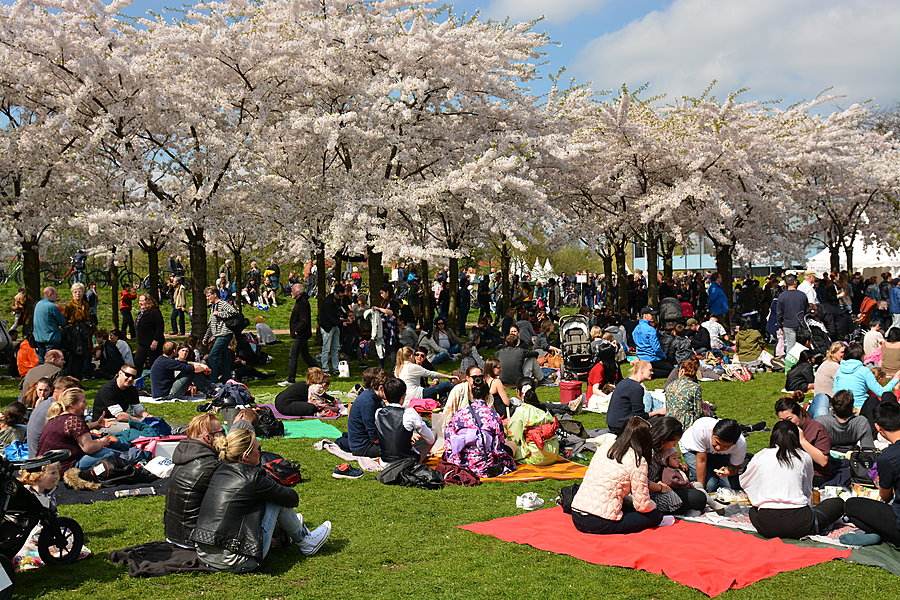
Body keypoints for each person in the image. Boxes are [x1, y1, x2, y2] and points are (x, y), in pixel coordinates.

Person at [191, 429, 332, 572]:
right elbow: (291, 498)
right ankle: (305, 541)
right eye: (259, 448)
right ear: (246, 456)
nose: (261, 452)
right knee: (276, 500)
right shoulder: (253, 478)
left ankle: (294, 529)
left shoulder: (218, 470)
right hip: (235, 561)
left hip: (204, 553)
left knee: (261, 500)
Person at [740, 420, 845, 539]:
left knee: (753, 510)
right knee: (838, 503)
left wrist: (761, 494)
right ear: (797, 438)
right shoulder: (804, 456)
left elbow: (745, 480)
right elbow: (807, 489)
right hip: (800, 524)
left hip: (767, 525)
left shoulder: (761, 455)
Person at [571, 416, 670, 534]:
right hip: (600, 522)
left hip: (577, 514)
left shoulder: (605, 447)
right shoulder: (637, 460)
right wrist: (655, 505)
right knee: (655, 516)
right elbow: (642, 506)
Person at [164, 413, 225, 547]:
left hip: (173, 535)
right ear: (208, 438)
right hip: (194, 540)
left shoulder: (184, 455)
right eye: (222, 431)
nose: (226, 436)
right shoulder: (210, 465)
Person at [844, 400, 900, 546]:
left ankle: (881, 535)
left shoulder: (888, 457)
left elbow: (885, 496)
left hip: (897, 521)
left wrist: (880, 482)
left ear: (878, 428)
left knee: (851, 505)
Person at [442, 377, 516, 477]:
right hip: (484, 464)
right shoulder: (492, 415)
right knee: (512, 445)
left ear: (472, 394)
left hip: (460, 462)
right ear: (487, 395)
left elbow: (449, 437)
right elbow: (499, 443)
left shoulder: (460, 413)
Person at [37, 387, 116, 471]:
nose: (86, 405)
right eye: (83, 401)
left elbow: (76, 431)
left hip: (47, 466)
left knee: (96, 440)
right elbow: (89, 448)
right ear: (72, 404)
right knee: (108, 453)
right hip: (65, 467)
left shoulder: (56, 418)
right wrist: (102, 442)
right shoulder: (73, 420)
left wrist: (97, 424)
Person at [647, 417, 709, 515]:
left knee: (698, 494)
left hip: (662, 488)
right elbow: (641, 481)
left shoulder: (661, 451)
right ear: (664, 440)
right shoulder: (648, 453)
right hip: (649, 494)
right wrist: (659, 487)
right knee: (698, 498)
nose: (674, 446)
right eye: (674, 443)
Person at [774, 394, 832, 486]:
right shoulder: (782, 429)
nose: (786, 424)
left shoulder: (817, 429)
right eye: (782, 420)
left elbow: (823, 461)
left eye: (790, 419)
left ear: (800, 414)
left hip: (815, 475)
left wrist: (803, 441)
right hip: (790, 471)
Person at [374, 377, 435, 463]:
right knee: (433, 433)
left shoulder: (378, 413)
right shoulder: (409, 413)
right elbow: (430, 439)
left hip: (384, 460)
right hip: (406, 462)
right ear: (404, 396)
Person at [679, 417, 747, 492]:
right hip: (693, 450)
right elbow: (701, 461)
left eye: (725, 446)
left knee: (731, 487)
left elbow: (735, 468)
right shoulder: (701, 428)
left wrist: (729, 471)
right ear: (712, 432)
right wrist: (701, 489)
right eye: (717, 442)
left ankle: (712, 472)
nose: (718, 448)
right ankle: (694, 477)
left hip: (720, 455)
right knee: (710, 485)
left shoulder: (740, 445)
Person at [504, 379, 559, 466]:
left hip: (536, 455)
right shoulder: (543, 408)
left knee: (506, 447)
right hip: (553, 453)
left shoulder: (521, 411)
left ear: (518, 392)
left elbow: (513, 437)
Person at [834, 342, 900, 411]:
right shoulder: (864, 371)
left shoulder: (839, 371)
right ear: (860, 356)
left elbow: (836, 393)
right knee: (873, 400)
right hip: (860, 408)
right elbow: (881, 392)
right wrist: (895, 379)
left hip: (842, 409)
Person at [26, 376, 80, 459]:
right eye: (74, 394)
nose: (75, 398)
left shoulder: (47, 404)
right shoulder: (55, 409)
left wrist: (96, 424)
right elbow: (72, 431)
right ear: (64, 391)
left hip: (36, 454)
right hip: (43, 460)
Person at [607, 360, 664, 435]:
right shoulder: (635, 387)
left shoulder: (624, 382)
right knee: (662, 422)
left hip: (614, 423)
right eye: (650, 370)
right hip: (622, 427)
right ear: (641, 370)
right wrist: (658, 412)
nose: (652, 373)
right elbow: (639, 416)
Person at [343, 368, 387, 458]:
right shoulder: (368, 402)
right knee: (398, 449)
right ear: (381, 388)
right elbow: (374, 436)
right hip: (363, 447)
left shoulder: (374, 397)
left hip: (367, 442)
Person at [279, 283, 318, 386]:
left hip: (301, 335)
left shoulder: (303, 303)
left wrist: (297, 330)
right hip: (301, 334)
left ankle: (291, 379)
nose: (291, 293)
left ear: (298, 292)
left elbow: (304, 320)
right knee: (306, 356)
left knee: (293, 356)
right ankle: (320, 372)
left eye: (292, 291)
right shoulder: (300, 302)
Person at [815, 389, 875, 454]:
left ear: (832, 407)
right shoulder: (861, 422)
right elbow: (868, 449)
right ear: (852, 407)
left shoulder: (821, 422)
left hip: (827, 457)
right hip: (853, 459)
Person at [202, 286, 239, 384]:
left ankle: (213, 380)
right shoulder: (213, 307)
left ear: (215, 295)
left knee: (212, 356)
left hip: (224, 334)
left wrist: (219, 313)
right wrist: (206, 336)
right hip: (218, 335)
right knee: (224, 359)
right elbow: (211, 324)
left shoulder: (222, 304)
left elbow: (234, 312)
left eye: (209, 296)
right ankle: (227, 380)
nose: (207, 298)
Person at [663, 357, 704, 429]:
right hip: (686, 424)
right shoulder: (695, 387)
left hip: (669, 423)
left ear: (682, 371)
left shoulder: (670, 386)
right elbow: (698, 412)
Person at [633, 307, 673, 379]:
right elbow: (656, 348)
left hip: (641, 357)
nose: (653, 316)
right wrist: (663, 355)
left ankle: (645, 370)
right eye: (651, 314)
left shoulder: (636, 329)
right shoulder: (650, 330)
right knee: (671, 370)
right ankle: (651, 372)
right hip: (652, 358)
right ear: (645, 316)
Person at [810, 342, 845, 418]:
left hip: (818, 399)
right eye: (842, 352)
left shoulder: (825, 363)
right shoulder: (835, 366)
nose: (844, 354)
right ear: (833, 353)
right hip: (828, 401)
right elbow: (843, 384)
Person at [32, 286, 67, 364]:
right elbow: (62, 322)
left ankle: (41, 374)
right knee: (51, 360)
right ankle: (50, 374)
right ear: (50, 294)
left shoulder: (38, 304)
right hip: (51, 338)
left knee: (41, 359)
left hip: (38, 337)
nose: (57, 297)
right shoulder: (52, 307)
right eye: (56, 295)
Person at [133, 294, 165, 373]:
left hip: (152, 343)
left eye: (142, 301)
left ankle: (156, 381)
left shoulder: (154, 312)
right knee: (137, 362)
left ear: (148, 301)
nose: (140, 303)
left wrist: (155, 340)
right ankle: (136, 380)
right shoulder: (141, 313)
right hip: (142, 343)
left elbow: (160, 327)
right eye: (139, 300)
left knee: (154, 364)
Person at [777, 274, 810, 353]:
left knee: (790, 346)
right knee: (801, 346)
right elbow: (807, 311)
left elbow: (779, 312)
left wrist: (779, 325)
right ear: (795, 282)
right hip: (801, 323)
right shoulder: (802, 295)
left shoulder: (782, 296)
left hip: (788, 323)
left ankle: (790, 363)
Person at [318, 284, 344, 375]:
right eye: (340, 295)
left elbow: (338, 311)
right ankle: (325, 368)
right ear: (335, 293)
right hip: (327, 327)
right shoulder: (328, 302)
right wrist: (340, 322)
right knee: (326, 348)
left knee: (335, 348)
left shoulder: (336, 301)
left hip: (334, 326)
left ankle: (336, 367)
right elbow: (329, 316)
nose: (341, 298)